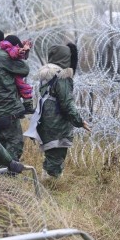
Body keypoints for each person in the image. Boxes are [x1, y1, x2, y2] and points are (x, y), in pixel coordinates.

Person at [32, 43, 90, 179]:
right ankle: (51, 185)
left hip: (45, 118)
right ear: (65, 58)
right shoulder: (62, 76)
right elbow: (66, 103)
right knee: (56, 156)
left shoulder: (46, 74)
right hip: (57, 122)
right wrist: (80, 121)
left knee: (51, 153)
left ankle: (47, 180)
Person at [0, 27, 30, 167]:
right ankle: (9, 175)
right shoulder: (2, 56)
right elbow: (24, 69)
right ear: (1, 40)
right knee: (15, 143)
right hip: (9, 109)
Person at [0, 35, 35, 114]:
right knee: (24, 87)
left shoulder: (6, 47)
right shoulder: (10, 48)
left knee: (21, 88)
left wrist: (24, 49)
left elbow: (21, 55)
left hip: (12, 72)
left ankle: (26, 105)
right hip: (14, 74)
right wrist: (20, 51)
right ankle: (28, 106)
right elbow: (13, 53)